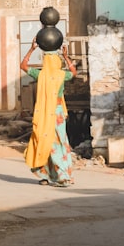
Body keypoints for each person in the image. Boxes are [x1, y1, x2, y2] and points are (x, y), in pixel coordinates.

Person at [20, 38, 77, 187]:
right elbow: (74, 72)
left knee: (44, 141)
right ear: (57, 62)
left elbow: (23, 65)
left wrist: (32, 49)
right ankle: (61, 175)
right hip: (57, 114)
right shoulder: (61, 75)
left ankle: (48, 175)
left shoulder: (40, 75)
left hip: (45, 114)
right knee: (59, 143)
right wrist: (66, 56)